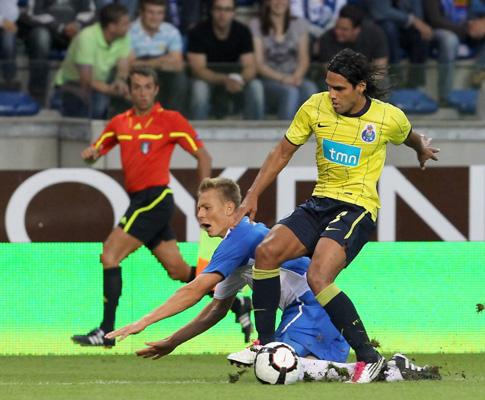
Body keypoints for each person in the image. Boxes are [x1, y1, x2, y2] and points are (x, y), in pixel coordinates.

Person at [233, 48, 439, 383]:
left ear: (360, 87)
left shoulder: (387, 118)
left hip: (358, 208)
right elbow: (282, 151)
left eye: (339, 88)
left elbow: (409, 136)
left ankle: (370, 358)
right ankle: (267, 345)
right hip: (320, 202)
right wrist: (253, 192)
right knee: (266, 252)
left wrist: (421, 149)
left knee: (318, 276)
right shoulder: (314, 107)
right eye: (329, 86)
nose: (331, 94)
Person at [105, 177, 440, 383]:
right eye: (198, 208)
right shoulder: (235, 246)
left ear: (231, 209)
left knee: (274, 367)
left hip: (310, 307)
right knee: (296, 371)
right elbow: (216, 309)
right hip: (312, 314)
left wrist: (145, 322)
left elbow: (196, 288)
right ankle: (392, 369)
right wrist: (174, 341)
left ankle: (272, 349)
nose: (200, 215)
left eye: (207, 207)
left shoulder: (240, 236)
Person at [71, 66, 212, 347]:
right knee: (178, 270)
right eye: (137, 87)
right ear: (130, 90)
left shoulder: (171, 120)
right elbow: (95, 152)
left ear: (156, 89)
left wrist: (206, 196)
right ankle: (237, 304)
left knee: (109, 255)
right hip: (140, 200)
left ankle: (106, 332)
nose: (143, 93)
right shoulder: (119, 123)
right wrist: (90, 154)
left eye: (148, 87)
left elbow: (203, 156)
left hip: (155, 199)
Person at [186, 0, 264, 120]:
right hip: (207, 80)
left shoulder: (243, 31)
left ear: (233, 13)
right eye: (219, 9)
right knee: (199, 89)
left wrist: (239, 80)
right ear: (212, 11)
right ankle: (197, 131)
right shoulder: (198, 31)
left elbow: (250, 67)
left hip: (236, 81)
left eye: (227, 10)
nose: (222, 14)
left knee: (256, 86)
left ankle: (257, 130)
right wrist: (224, 80)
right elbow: (198, 70)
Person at [52, 3, 131, 119]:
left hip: (98, 87)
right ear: (112, 27)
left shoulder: (122, 36)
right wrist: (110, 90)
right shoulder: (87, 37)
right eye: (125, 24)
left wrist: (120, 80)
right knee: (94, 108)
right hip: (70, 87)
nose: (129, 27)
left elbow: (123, 64)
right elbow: (86, 80)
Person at [249, 0, 318, 120]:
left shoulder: (300, 24)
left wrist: (296, 77)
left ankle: (310, 130)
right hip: (268, 79)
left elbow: (304, 59)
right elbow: (259, 64)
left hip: (294, 77)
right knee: (290, 92)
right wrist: (283, 79)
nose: (279, 2)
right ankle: (285, 130)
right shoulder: (256, 24)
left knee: (311, 89)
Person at [18, 0, 96, 105]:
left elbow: (89, 12)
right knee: (40, 37)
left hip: (75, 30)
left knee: (87, 37)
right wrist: (60, 27)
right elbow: (33, 13)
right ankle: (37, 93)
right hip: (47, 29)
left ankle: (79, 94)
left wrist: (77, 25)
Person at [129, 0, 188, 112]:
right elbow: (130, 65)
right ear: (141, 13)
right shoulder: (129, 31)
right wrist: (161, 61)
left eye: (159, 13)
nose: (155, 17)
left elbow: (177, 64)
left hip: (164, 76)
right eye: (150, 12)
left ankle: (171, 116)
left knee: (180, 77)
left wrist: (144, 63)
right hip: (137, 76)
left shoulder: (171, 31)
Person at [424, 0, 485, 102]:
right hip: (436, 31)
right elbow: (435, 20)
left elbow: (473, 15)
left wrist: (481, 24)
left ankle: (479, 74)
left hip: (466, 30)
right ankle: (445, 96)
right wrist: (466, 30)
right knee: (450, 40)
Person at [362, 0, 432, 88]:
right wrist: (411, 20)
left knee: (421, 34)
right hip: (379, 26)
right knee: (389, 28)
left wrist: (418, 23)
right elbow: (381, 12)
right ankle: (395, 76)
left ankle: (415, 85)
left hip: (403, 27)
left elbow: (418, 16)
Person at [318, 5, 388, 69]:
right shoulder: (326, 38)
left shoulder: (375, 34)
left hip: (370, 76)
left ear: (357, 30)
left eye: (344, 29)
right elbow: (330, 71)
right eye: (337, 27)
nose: (337, 32)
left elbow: (380, 67)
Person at [0, 1, 20, 91]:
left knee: (8, 41)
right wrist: (2, 21)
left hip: (13, 24)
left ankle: (9, 84)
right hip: (4, 22)